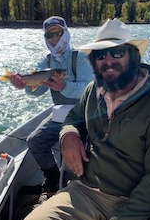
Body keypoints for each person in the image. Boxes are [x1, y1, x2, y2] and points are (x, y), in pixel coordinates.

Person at [15, 18, 150, 220]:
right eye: (100, 54)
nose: (108, 61)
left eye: (117, 53)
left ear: (134, 56)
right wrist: (69, 134)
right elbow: (74, 118)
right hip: (89, 194)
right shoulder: (92, 91)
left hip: (147, 207)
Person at [9, 16, 94, 193]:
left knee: (73, 148)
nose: (54, 38)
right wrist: (24, 85)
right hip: (60, 115)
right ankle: (53, 178)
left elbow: (89, 88)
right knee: (35, 141)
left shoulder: (81, 57)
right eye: (49, 35)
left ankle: (79, 182)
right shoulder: (45, 62)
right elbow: (38, 92)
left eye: (58, 33)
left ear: (66, 33)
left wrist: (64, 86)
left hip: (85, 115)